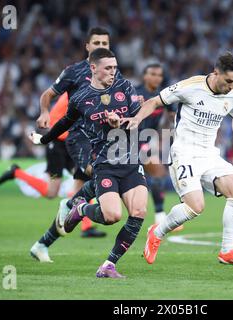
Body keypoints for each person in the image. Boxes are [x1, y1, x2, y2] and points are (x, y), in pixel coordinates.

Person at [122, 52, 233, 268]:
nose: (232, 86)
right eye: (228, 80)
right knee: (195, 207)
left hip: (210, 153)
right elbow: (155, 101)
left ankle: (227, 250)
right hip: (184, 153)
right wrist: (137, 118)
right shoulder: (191, 86)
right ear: (215, 73)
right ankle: (158, 231)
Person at [30, 48, 148, 278]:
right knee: (112, 216)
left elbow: (138, 121)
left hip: (131, 161)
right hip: (104, 162)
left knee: (139, 211)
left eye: (115, 67)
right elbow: (65, 122)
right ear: (93, 68)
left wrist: (121, 122)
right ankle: (80, 208)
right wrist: (44, 139)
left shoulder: (124, 87)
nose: (113, 72)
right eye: (108, 68)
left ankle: (108, 265)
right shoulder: (81, 98)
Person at [0, 27, 113, 240]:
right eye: (96, 43)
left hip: (83, 139)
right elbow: (49, 95)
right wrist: (44, 113)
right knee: (54, 190)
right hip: (60, 140)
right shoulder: (75, 73)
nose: (100, 47)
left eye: (104, 44)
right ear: (87, 47)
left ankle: (84, 226)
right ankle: (17, 173)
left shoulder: (110, 74)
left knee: (87, 179)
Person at [135, 64, 181, 228]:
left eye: (159, 75)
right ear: (144, 76)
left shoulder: (163, 96)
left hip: (144, 143)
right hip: (125, 142)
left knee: (159, 173)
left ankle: (160, 216)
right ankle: (159, 215)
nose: (156, 78)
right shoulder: (134, 92)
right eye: (152, 74)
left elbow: (173, 116)